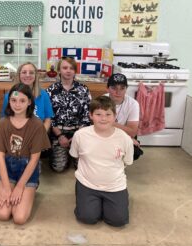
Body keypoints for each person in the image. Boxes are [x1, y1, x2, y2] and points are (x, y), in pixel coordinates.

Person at [69, 96, 134, 227]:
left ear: (115, 116)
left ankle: (112, 202)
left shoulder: (124, 138)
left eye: (108, 114)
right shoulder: (80, 135)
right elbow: (76, 155)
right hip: (87, 183)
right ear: (90, 115)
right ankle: (92, 203)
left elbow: (127, 161)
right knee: (87, 218)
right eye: (98, 114)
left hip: (115, 186)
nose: (103, 118)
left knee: (118, 220)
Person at [0, 83, 51, 224]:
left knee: (19, 218)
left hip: (28, 171)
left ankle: (30, 189)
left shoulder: (37, 125)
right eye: (13, 100)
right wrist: (7, 187)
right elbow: (0, 156)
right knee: (3, 215)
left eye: (22, 100)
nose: (17, 104)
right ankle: (8, 187)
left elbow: (34, 159)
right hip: (8, 169)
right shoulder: (2, 124)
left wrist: (20, 187)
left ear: (29, 102)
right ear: (9, 101)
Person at [46, 57, 91, 172]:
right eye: (65, 68)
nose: (68, 71)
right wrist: (60, 136)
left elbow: (87, 115)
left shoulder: (83, 90)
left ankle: (72, 152)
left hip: (79, 132)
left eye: (71, 68)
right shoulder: (51, 90)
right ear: (59, 70)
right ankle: (64, 152)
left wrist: (77, 136)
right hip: (58, 133)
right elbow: (49, 117)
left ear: (75, 71)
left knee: (82, 168)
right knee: (59, 168)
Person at [1, 62, 53, 133]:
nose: (27, 75)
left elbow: (47, 119)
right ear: (19, 75)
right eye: (24, 72)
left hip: (38, 134)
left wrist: (41, 135)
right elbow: (5, 119)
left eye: (31, 73)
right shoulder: (10, 96)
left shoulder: (43, 95)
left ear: (35, 76)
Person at [106, 73, 143, 160]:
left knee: (135, 152)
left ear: (126, 89)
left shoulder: (133, 104)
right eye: (114, 88)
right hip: (106, 134)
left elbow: (132, 132)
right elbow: (99, 126)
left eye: (122, 88)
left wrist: (128, 138)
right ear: (107, 88)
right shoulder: (102, 101)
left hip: (125, 135)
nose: (118, 92)